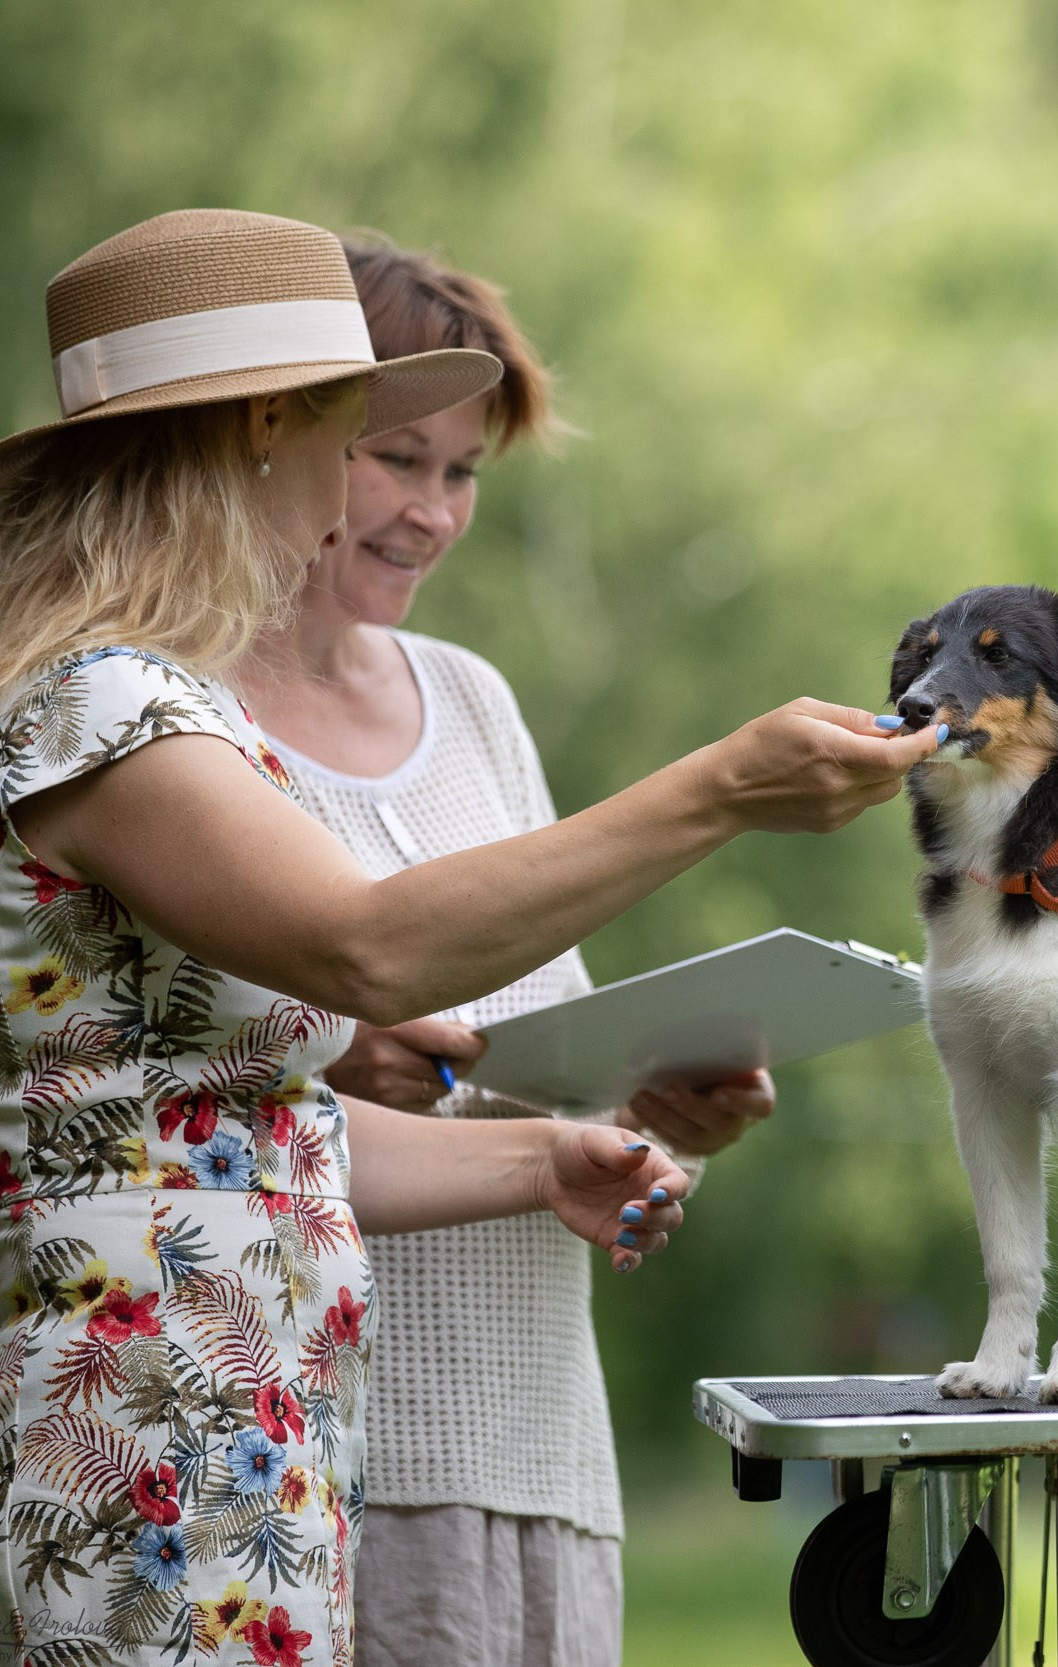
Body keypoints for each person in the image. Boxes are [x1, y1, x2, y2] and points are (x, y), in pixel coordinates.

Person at [0, 209, 937, 1666]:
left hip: (230, 1446)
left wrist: (541, 1154)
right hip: (148, 1441)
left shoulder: (133, 708)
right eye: (355, 443)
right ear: (259, 436)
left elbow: (219, 1133)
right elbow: (371, 951)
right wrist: (721, 791)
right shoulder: (103, 713)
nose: (360, 508)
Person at [233, 235, 769, 1665]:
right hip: (306, 1453)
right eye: (396, 458)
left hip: (535, 1452)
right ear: (273, 434)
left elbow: (548, 1076)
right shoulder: (160, 719)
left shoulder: (472, 705)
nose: (432, 513)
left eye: (461, 472)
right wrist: (326, 1045)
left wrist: (655, 1115)